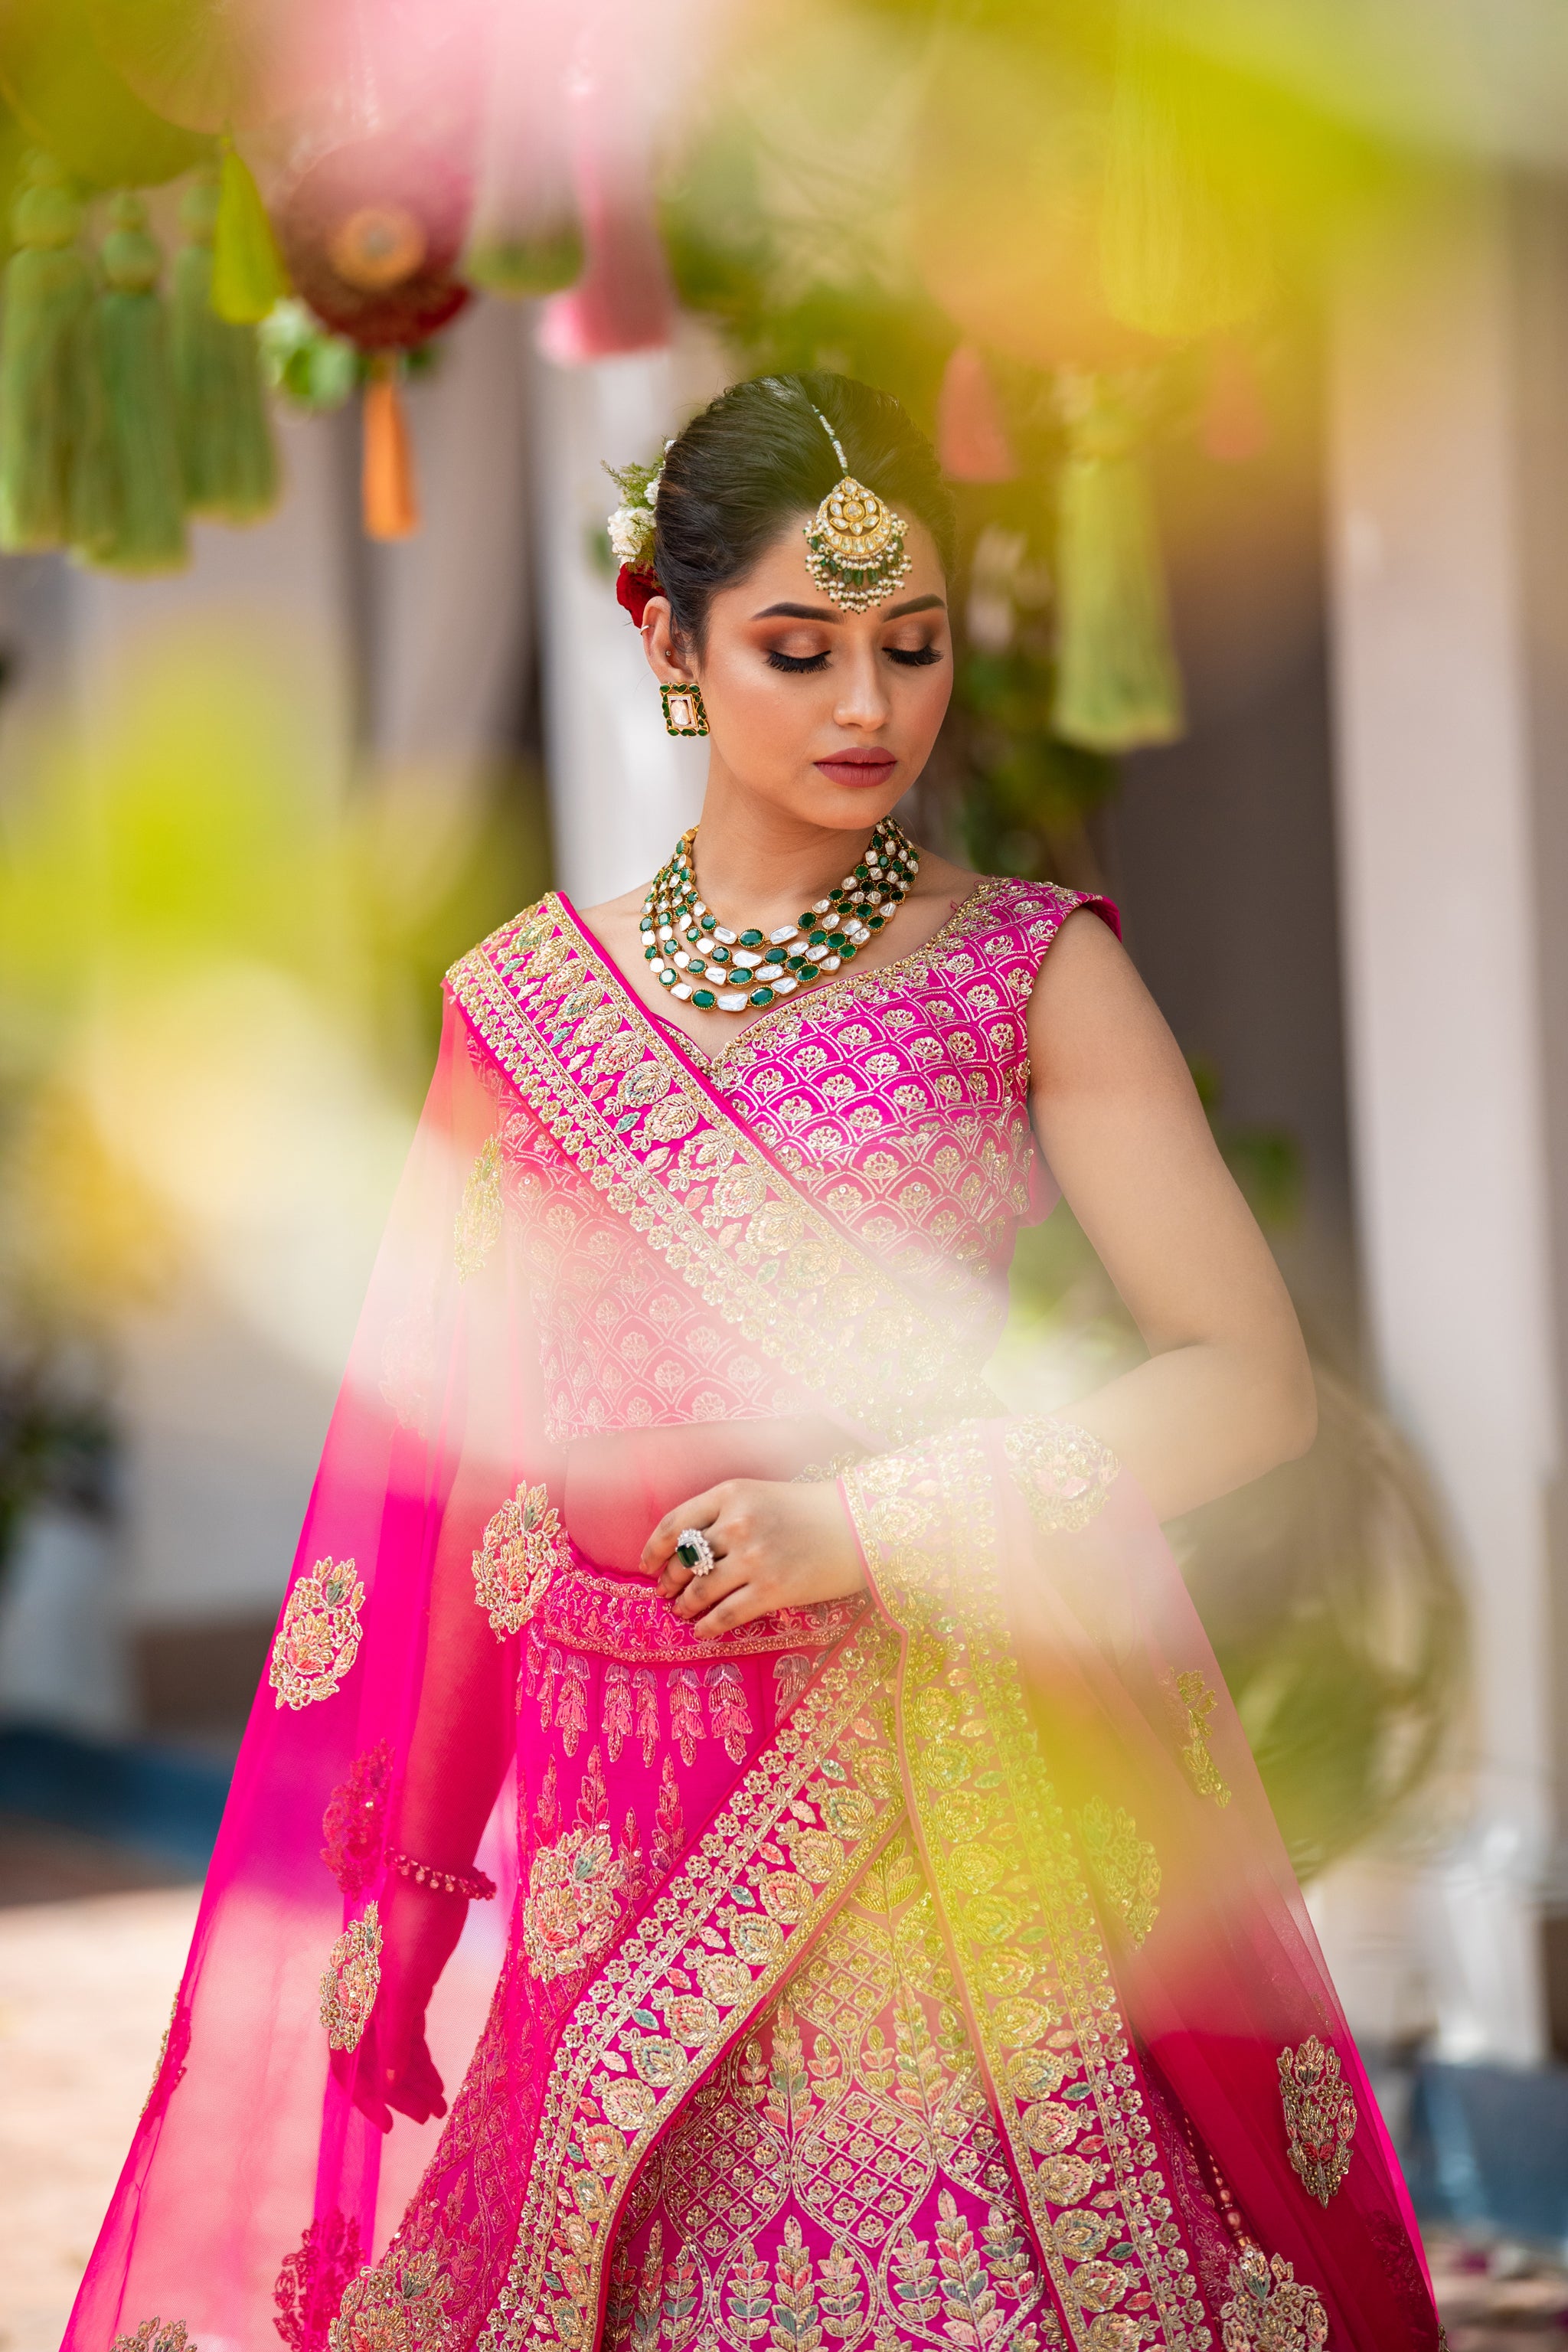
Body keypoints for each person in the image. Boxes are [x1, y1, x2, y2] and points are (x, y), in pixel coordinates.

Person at [68, 373, 1441, 2352]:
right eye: (800, 651)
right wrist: (419, 1888)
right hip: (616, 1847)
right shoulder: (533, 1016)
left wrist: (882, 1520)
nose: (872, 709)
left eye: (914, 646)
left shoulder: (1034, 973)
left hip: (956, 1814)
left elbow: (1246, 1381)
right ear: (668, 640)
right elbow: (448, 1482)